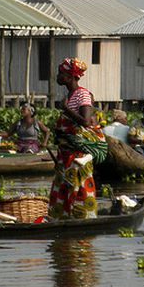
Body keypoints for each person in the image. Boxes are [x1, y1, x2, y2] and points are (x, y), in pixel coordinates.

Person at [48, 58, 107, 220]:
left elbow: (86, 121)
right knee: (65, 188)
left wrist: (66, 109)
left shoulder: (82, 94)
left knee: (79, 188)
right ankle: (64, 219)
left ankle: (82, 221)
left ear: (69, 76)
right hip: (66, 155)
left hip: (77, 156)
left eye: (61, 73)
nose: (58, 76)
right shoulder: (71, 94)